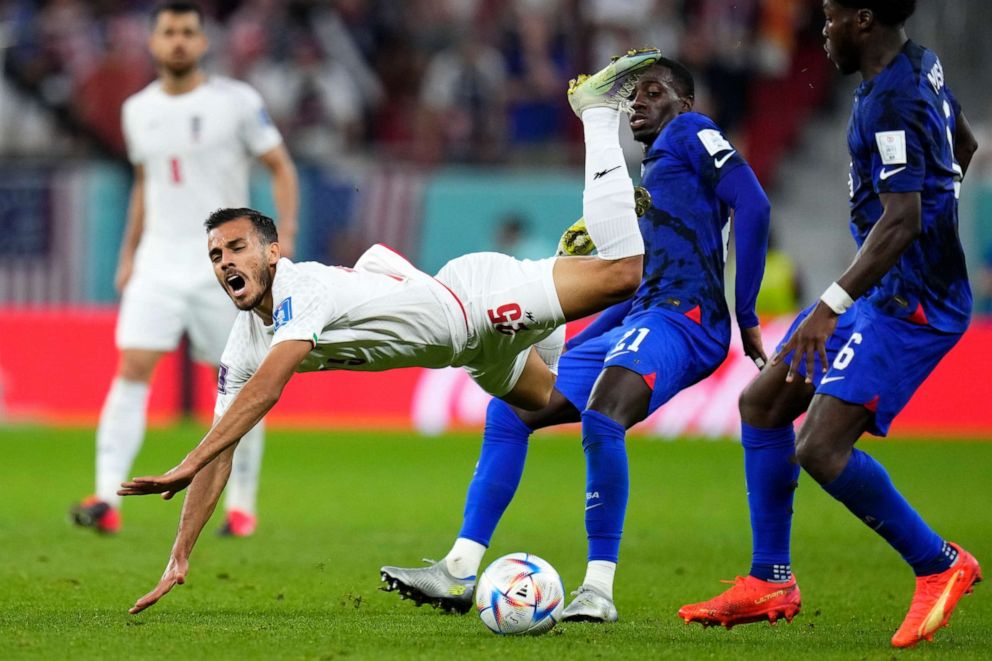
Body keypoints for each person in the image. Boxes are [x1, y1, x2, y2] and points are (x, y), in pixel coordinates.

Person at [117, 48, 662, 615]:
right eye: (215, 255)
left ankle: (596, 112)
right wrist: (179, 553)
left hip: (477, 301)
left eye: (237, 247)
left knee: (624, 273)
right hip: (470, 353)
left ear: (273, 252)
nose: (225, 261)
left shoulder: (300, 290)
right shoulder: (243, 343)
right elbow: (224, 445)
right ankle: (561, 267)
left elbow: (268, 390)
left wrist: (185, 462)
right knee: (554, 402)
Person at [381, 51, 772, 621]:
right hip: (643, 313)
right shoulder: (659, 168)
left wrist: (747, 312)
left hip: (686, 319)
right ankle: (459, 569)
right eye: (634, 94)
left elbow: (754, 203)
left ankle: (598, 589)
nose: (638, 101)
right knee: (510, 411)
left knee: (602, 414)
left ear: (685, 104)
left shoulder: (693, 130)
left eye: (654, 92)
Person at [678, 0, 981, 649]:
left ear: (864, 20)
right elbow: (965, 145)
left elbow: (901, 219)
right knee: (763, 403)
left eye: (830, 17)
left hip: (911, 306)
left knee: (819, 447)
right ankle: (771, 579)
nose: (822, 32)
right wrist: (942, 213)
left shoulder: (893, 100)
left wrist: (829, 306)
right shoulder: (916, 65)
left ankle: (940, 563)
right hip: (888, 291)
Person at [70, 1, 299, 537]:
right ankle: (107, 497)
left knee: (243, 381)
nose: (178, 41)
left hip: (224, 267)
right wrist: (129, 254)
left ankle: (241, 505)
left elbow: (280, 165)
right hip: (157, 262)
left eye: (187, 32)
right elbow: (147, 185)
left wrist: (281, 236)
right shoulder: (137, 109)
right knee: (131, 367)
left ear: (202, 43)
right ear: (153, 42)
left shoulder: (237, 102)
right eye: (168, 31)